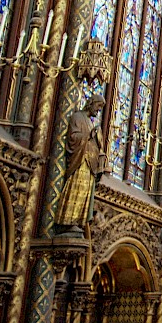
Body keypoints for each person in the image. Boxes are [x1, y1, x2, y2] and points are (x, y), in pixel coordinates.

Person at [56, 97, 108, 233]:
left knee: (85, 193)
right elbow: (73, 137)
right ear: (90, 104)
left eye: (101, 108)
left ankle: (79, 221)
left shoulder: (92, 123)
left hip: (90, 164)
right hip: (79, 161)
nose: (98, 110)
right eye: (98, 106)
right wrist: (90, 135)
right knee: (76, 189)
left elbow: (95, 145)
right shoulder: (78, 117)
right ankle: (69, 220)